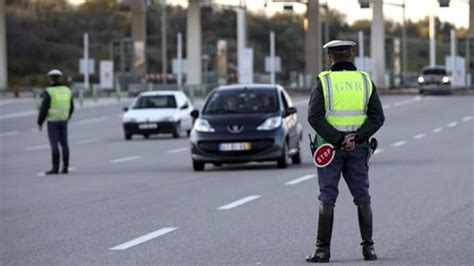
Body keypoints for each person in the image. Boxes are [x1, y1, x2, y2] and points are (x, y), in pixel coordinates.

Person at [306, 40, 385, 263]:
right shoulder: (365, 80)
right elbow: (377, 117)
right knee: (362, 196)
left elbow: (314, 117)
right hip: (358, 149)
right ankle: (368, 249)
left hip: (329, 150)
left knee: (327, 197)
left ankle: (323, 251)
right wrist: (355, 138)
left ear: (330, 57)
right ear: (350, 56)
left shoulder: (323, 81)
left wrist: (339, 139)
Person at [37, 69, 74, 175]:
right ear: (59, 78)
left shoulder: (49, 92)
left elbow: (44, 108)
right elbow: (71, 106)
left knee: (54, 145)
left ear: (50, 79)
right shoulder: (67, 90)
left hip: (53, 122)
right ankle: (65, 167)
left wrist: (40, 122)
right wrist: (67, 116)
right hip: (64, 121)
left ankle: (55, 168)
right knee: (64, 144)